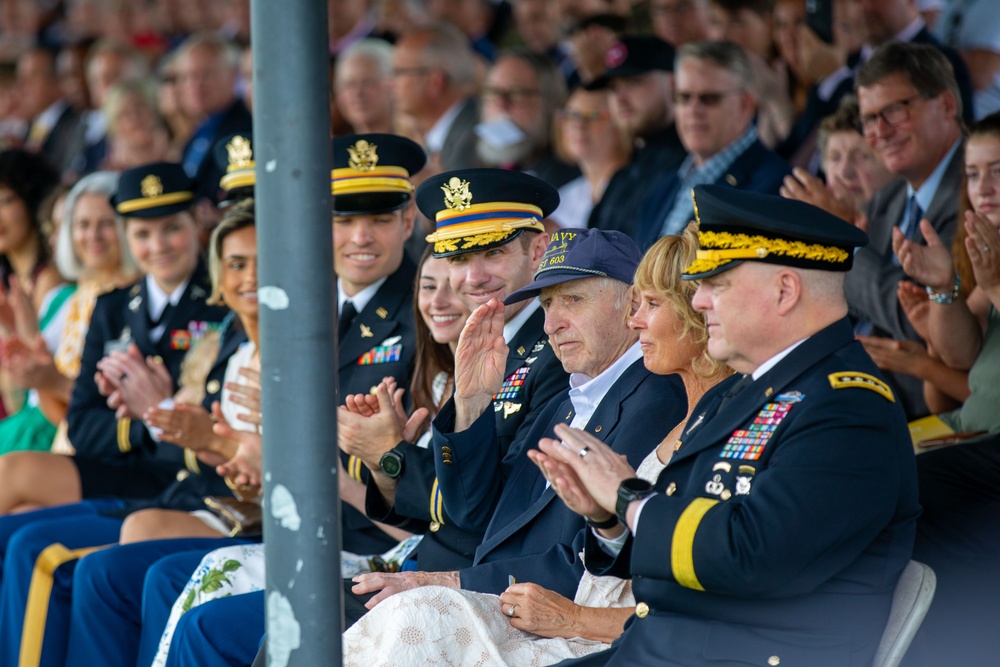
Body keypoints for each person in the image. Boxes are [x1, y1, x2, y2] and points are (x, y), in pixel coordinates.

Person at [531, 184, 919, 667]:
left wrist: (629, 497)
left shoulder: (849, 409)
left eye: (718, 283)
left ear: (785, 291)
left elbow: (753, 558)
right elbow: (683, 544)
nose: (701, 302)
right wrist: (608, 519)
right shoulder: (745, 393)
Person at [341, 225, 728, 665]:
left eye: (572, 300)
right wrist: (470, 404)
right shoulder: (567, 399)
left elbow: (600, 562)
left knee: (336, 617)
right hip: (508, 599)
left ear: (629, 304)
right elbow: (475, 512)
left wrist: (452, 582)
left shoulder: (655, 398)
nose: (551, 323)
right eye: (546, 304)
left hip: (543, 611)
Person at [0, 162, 231, 667]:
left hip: (180, 481)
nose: (159, 245)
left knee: (34, 549)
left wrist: (150, 417)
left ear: (197, 224)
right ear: (128, 236)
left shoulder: (221, 305)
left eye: (171, 228)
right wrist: (151, 419)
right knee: (8, 517)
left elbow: (205, 431)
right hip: (122, 469)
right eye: (143, 233)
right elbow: (82, 427)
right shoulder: (111, 307)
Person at [0, 171, 138, 455]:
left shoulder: (137, 298)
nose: (93, 235)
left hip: (112, 453)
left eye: (106, 223)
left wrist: (54, 381)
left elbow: (117, 413)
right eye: (82, 224)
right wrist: (35, 368)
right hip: (65, 445)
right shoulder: (81, 296)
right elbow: (62, 413)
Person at [635, 40, 791, 248]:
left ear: (745, 105)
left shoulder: (775, 188)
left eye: (709, 99)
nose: (693, 110)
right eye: (684, 97)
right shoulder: (663, 185)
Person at [586, 34, 687, 239]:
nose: (620, 99)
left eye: (633, 83)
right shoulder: (625, 172)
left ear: (673, 83)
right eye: (613, 88)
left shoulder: (692, 164)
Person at [476, 50, 580, 189]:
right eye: (493, 92)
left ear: (550, 101)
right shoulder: (482, 163)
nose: (501, 104)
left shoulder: (568, 178)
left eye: (517, 93)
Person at [390, 24, 481, 172]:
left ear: (435, 82)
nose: (391, 84)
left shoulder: (472, 143)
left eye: (399, 73)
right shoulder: (453, 133)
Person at [549, 87, 631, 229]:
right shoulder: (564, 198)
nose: (578, 125)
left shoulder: (634, 190)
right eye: (570, 116)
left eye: (592, 116)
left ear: (619, 125)